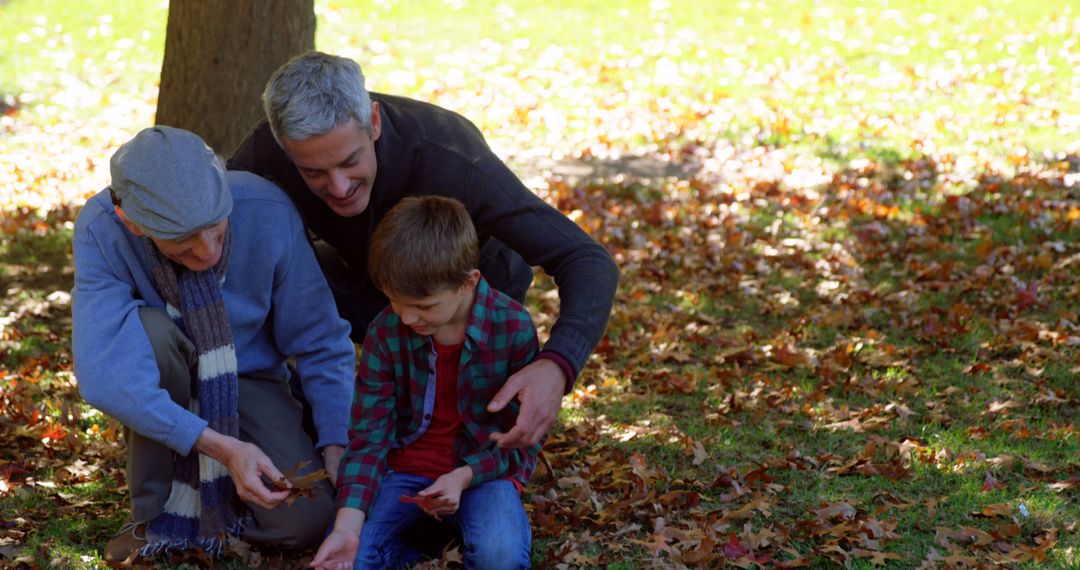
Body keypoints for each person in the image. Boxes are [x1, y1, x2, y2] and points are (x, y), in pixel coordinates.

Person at [229, 51, 619, 451]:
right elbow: (210, 230)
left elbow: (586, 259)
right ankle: (295, 412)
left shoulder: (452, 157)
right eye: (314, 172)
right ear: (284, 148)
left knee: (467, 450)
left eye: (350, 161)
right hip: (366, 285)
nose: (340, 187)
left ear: (374, 122)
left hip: (466, 303)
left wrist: (557, 365)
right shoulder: (267, 152)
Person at [71, 126, 356, 563]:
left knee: (306, 523)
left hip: (251, 377)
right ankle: (155, 514)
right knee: (151, 334)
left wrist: (337, 444)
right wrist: (222, 448)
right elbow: (104, 374)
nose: (205, 252)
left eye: (215, 230)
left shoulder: (266, 208)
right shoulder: (102, 230)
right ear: (134, 223)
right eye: (183, 241)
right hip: (166, 373)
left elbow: (321, 339)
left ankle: (221, 509)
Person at [310, 196, 540, 569]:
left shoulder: (513, 328)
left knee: (500, 555)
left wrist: (464, 476)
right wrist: (346, 527)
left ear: (469, 282)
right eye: (396, 302)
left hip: (482, 472)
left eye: (425, 306)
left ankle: (441, 537)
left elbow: (523, 441)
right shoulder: (386, 331)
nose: (407, 318)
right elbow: (368, 438)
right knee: (350, 556)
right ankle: (418, 543)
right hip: (401, 472)